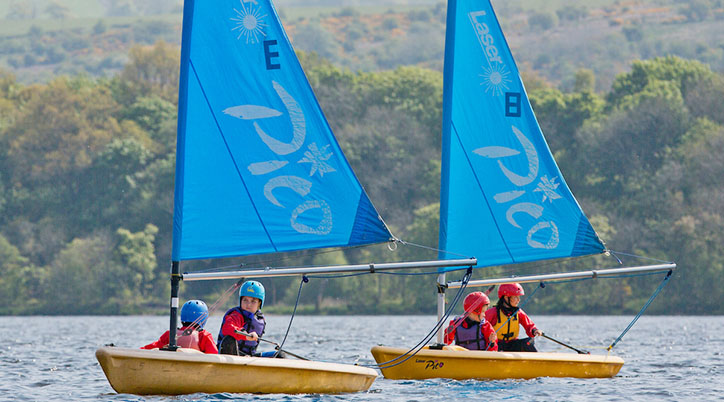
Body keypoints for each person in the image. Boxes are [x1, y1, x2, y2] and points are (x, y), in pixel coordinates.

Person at [141, 299, 218, 354]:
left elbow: (148, 348)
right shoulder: (204, 336)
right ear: (203, 318)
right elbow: (214, 356)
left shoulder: (170, 334)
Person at [485, 283, 541, 352]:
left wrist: (534, 330)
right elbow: (481, 327)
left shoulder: (518, 312)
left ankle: (537, 361)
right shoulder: (493, 312)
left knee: (528, 342)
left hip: (513, 344)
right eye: (515, 297)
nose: (518, 300)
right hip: (497, 345)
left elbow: (529, 325)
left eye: (518, 297)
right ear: (506, 297)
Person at [217, 280, 267, 356]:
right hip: (229, 353)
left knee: (280, 355)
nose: (248, 304)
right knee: (229, 341)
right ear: (241, 300)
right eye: (245, 300)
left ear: (259, 303)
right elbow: (228, 328)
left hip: (249, 356)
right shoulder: (235, 315)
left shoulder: (260, 319)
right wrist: (246, 335)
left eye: (253, 301)